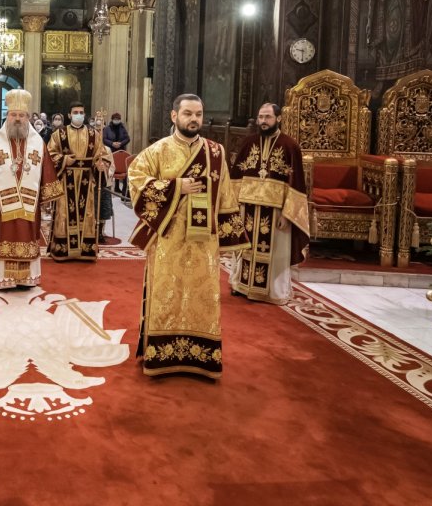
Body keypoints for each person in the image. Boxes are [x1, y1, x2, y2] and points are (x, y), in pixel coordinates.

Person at [128, 93, 248, 378]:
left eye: (198, 114)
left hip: (204, 242)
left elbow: (226, 194)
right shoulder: (158, 150)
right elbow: (136, 180)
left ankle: (200, 356)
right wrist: (175, 187)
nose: (194, 119)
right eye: (188, 114)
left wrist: (228, 237)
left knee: (201, 297)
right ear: (174, 116)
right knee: (167, 295)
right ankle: (161, 354)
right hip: (168, 241)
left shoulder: (216, 152)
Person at [0, 89, 64, 289]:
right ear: (7, 116)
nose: (18, 119)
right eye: (13, 114)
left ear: (28, 117)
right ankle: (4, 279)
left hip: (30, 203)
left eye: (22, 115)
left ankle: (27, 278)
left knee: (28, 232)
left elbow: (46, 168)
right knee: (4, 233)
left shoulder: (38, 142)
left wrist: (48, 193)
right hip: (3, 202)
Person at [229, 103, 310, 304]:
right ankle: (241, 285)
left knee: (275, 252)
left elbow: (297, 184)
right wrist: (234, 207)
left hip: (276, 212)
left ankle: (273, 292)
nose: (263, 121)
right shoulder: (249, 143)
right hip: (247, 208)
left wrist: (288, 214)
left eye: (268, 117)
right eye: (261, 117)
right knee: (244, 247)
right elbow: (236, 176)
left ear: (278, 118)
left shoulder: (290, 146)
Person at [47, 102, 112, 261]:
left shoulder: (94, 134)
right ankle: (63, 250)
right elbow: (50, 154)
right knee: (64, 213)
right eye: (75, 112)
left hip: (86, 180)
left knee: (87, 213)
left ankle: (85, 250)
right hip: (65, 179)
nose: (78, 115)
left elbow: (102, 154)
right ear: (69, 115)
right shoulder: (59, 134)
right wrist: (63, 159)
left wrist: (101, 164)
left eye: (81, 112)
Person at [103, 112, 132, 195]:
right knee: (113, 169)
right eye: (115, 119)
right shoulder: (107, 128)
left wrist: (121, 143)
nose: (117, 120)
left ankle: (122, 189)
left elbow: (127, 138)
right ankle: (110, 187)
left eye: (118, 119)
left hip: (121, 151)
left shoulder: (122, 128)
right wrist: (112, 143)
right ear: (112, 119)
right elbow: (104, 139)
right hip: (110, 151)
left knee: (122, 168)